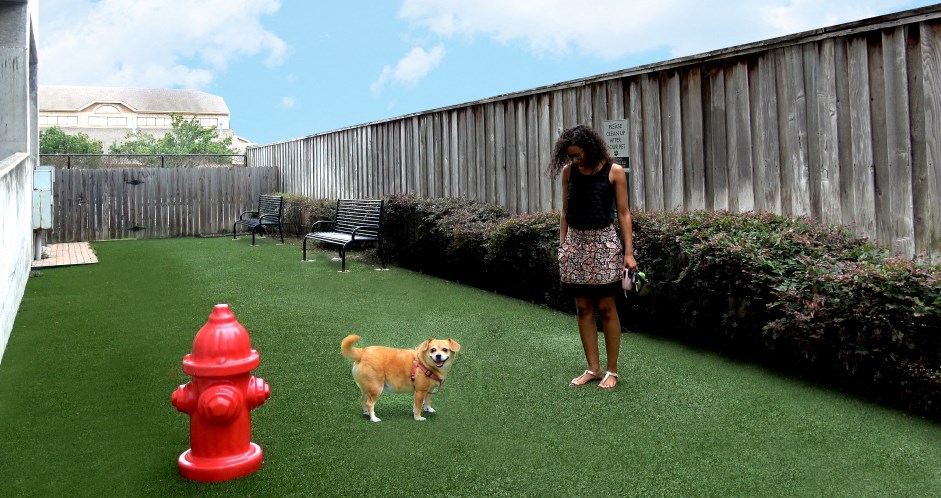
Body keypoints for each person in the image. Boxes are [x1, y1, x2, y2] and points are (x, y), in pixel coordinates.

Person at [547, 124, 637, 389]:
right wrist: (563, 246)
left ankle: (612, 370)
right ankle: (593, 368)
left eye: (579, 154)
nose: (576, 160)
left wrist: (629, 253)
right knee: (583, 308)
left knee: (607, 308)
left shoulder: (614, 171)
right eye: (571, 156)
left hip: (604, 244)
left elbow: (623, 213)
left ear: (591, 146)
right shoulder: (569, 172)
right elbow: (564, 211)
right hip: (575, 244)